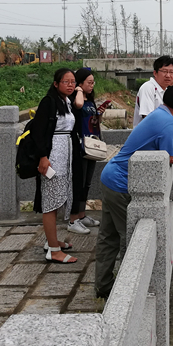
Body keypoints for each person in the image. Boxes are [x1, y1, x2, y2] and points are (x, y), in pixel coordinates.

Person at [94, 84, 173, 299]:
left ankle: (103, 286)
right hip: (122, 184)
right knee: (133, 239)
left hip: (110, 175)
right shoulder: (169, 124)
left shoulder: (158, 113)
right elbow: (165, 159)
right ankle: (129, 293)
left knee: (108, 236)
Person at [31, 68, 80, 263]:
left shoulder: (66, 102)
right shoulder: (49, 102)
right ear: (56, 84)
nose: (70, 85)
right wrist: (43, 157)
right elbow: (38, 131)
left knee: (59, 198)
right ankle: (53, 250)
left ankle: (51, 241)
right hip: (52, 158)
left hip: (65, 157)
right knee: (50, 203)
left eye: (73, 81)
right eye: (66, 81)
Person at [67, 67, 108, 235]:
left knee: (87, 182)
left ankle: (82, 215)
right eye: (89, 82)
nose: (92, 85)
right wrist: (77, 90)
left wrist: (99, 114)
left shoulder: (90, 101)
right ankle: (72, 220)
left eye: (93, 83)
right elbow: (78, 105)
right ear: (80, 83)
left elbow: (93, 121)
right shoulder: (76, 99)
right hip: (80, 145)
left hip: (92, 143)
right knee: (79, 182)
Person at [132, 55, 173, 128]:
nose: (168, 75)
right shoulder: (148, 88)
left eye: (171, 72)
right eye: (164, 71)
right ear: (155, 73)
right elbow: (148, 118)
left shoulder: (166, 91)